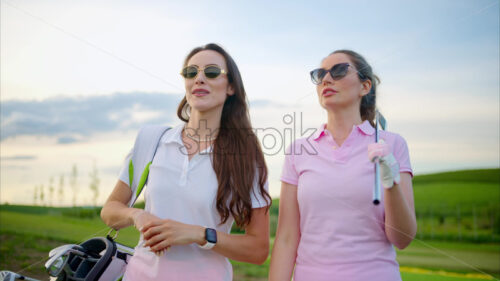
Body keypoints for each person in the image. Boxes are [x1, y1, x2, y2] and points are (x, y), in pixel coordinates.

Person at [101, 43, 271, 281]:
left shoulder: (246, 158)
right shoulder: (152, 139)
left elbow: (258, 250)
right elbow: (110, 211)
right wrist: (137, 216)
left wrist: (199, 234)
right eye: (191, 72)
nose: (199, 78)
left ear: (230, 86)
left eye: (211, 72)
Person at [269, 50, 416, 281]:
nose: (326, 79)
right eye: (320, 74)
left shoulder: (392, 145)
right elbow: (287, 238)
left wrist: (391, 181)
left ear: (364, 87)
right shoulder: (299, 150)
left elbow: (403, 238)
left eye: (338, 71)